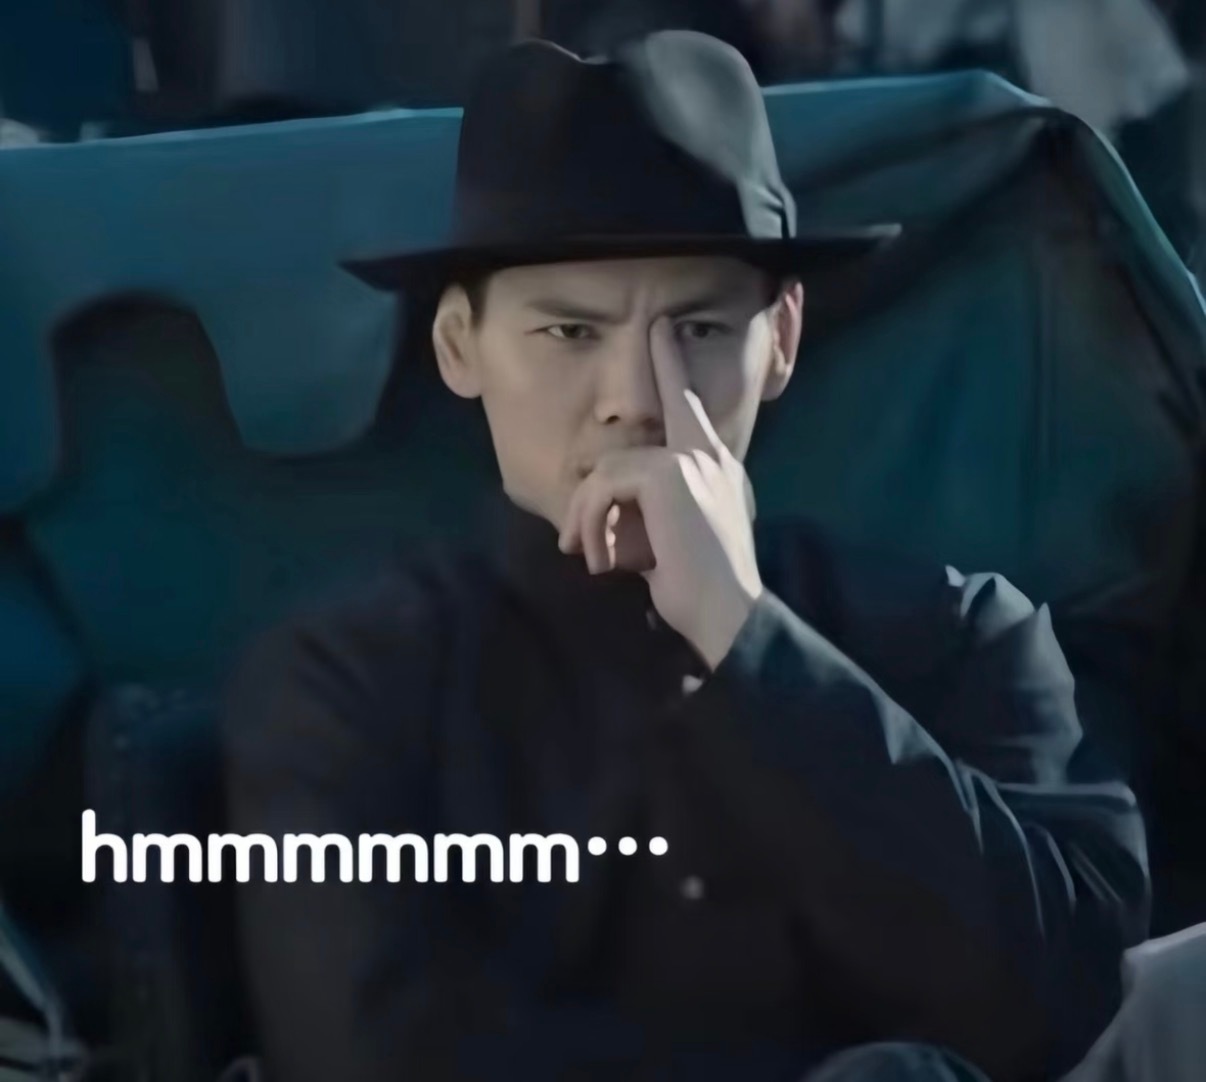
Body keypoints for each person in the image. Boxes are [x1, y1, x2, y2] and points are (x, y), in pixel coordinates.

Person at [222, 31, 1150, 1082]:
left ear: (781, 339)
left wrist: (746, 638)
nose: (637, 397)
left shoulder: (959, 637)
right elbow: (373, 1054)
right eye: (570, 334)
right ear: (457, 346)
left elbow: (1080, 999)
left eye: (699, 329)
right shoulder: (354, 683)